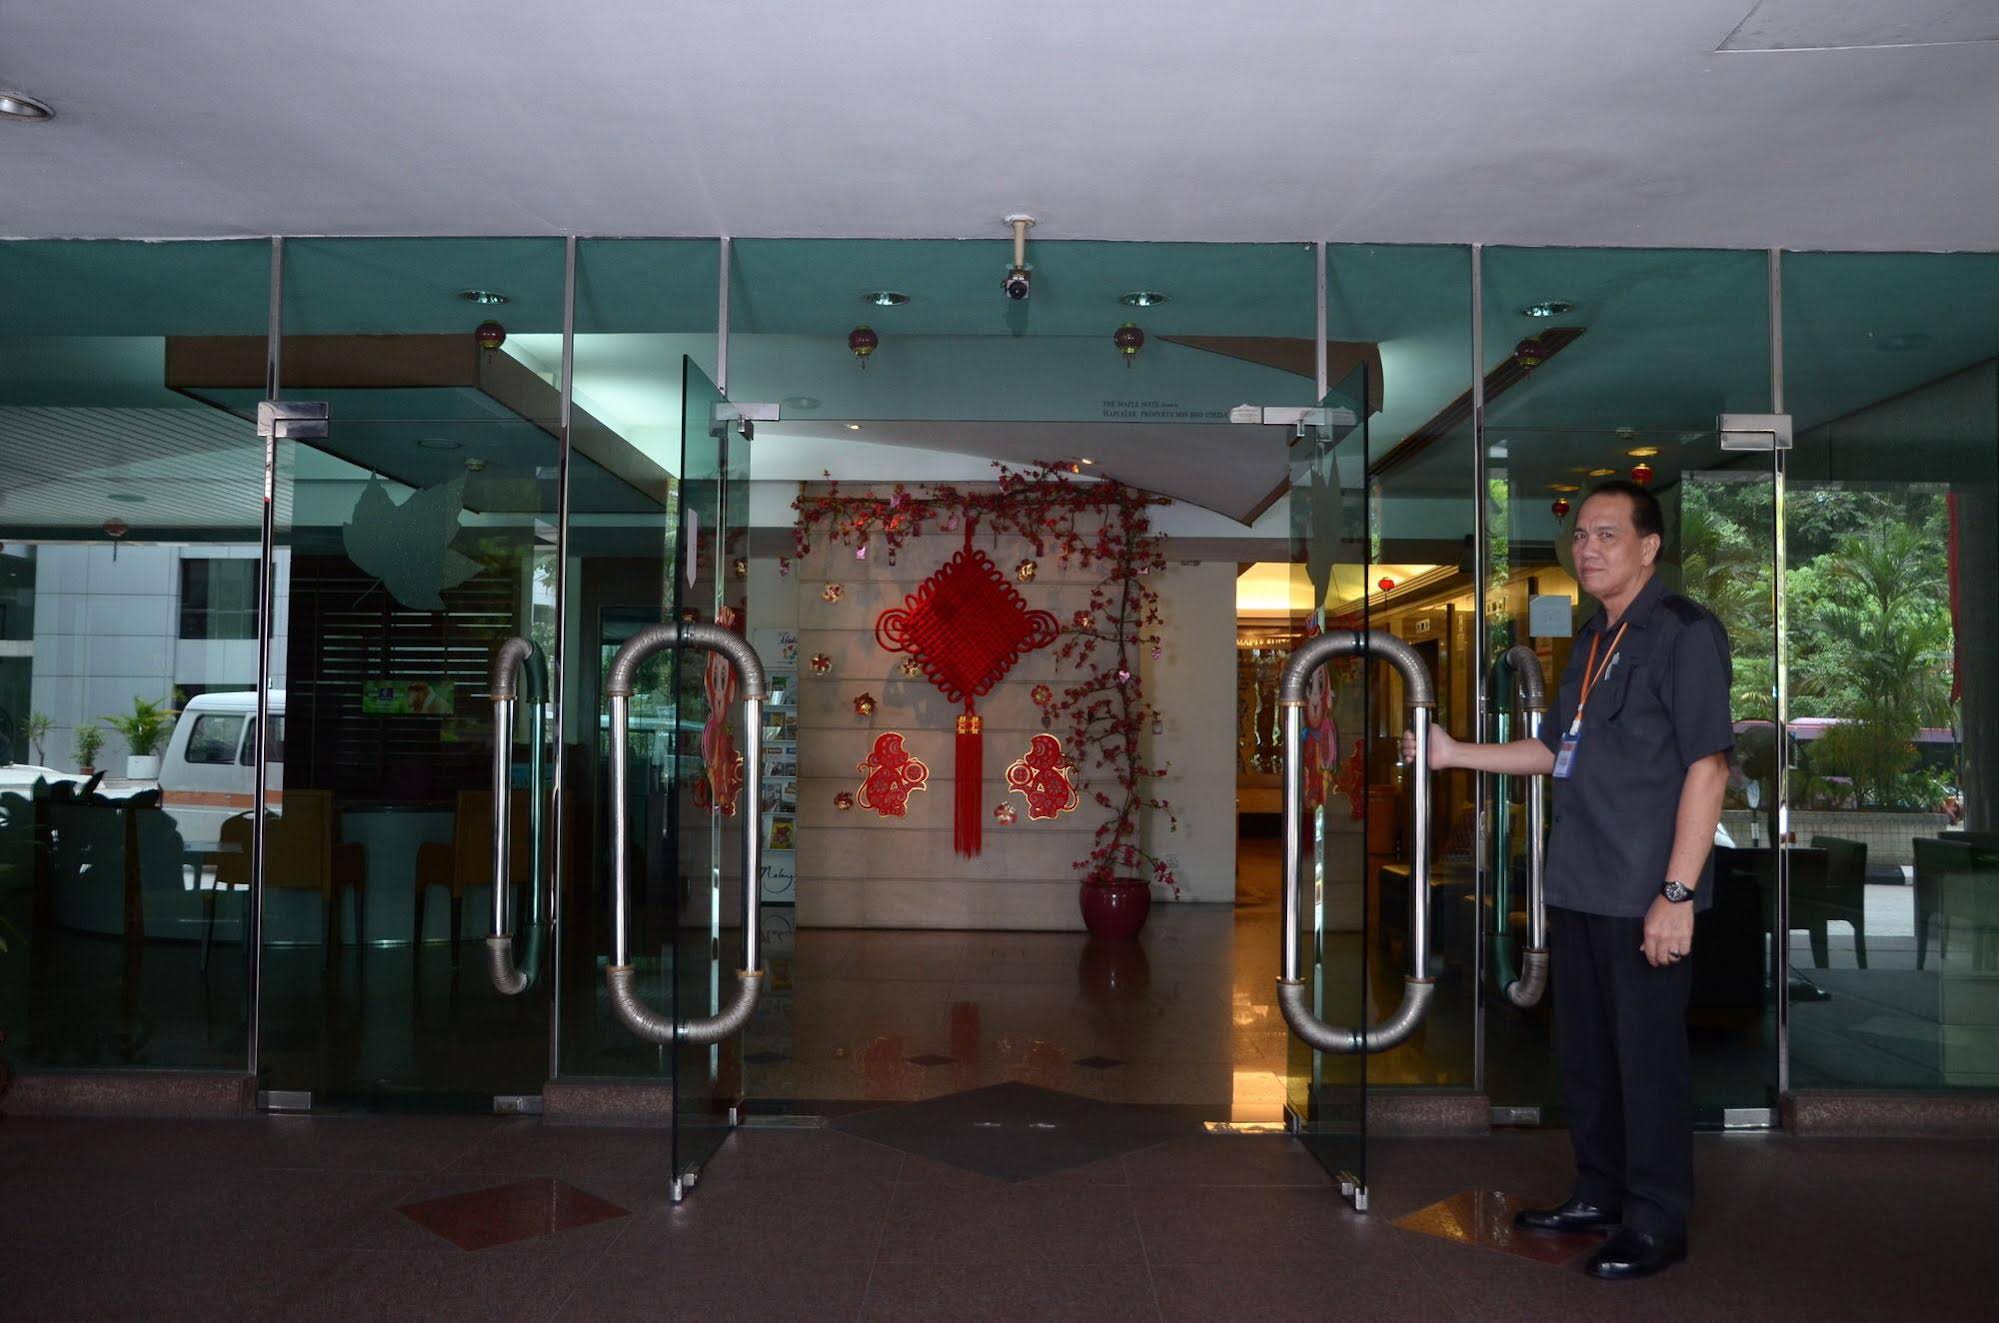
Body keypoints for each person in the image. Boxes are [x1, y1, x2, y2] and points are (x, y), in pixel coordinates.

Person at [1404, 479, 1733, 1281]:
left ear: (1648, 547)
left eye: (1606, 534)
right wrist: (1452, 754)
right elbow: (1555, 748)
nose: (1587, 548)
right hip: (1581, 881)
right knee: (1585, 1055)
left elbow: (1709, 765)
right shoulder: (1591, 639)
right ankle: (1598, 1192)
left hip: (1644, 889)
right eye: (1580, 534)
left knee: (1646, 1060)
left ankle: (1654, 1220)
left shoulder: (1684, 632)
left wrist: (1676, 894)